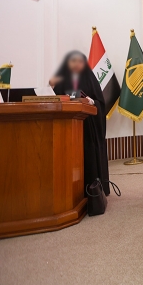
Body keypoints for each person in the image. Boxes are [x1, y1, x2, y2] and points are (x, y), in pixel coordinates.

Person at [50, 51, 110, 195]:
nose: (76, 64)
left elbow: (100, 103)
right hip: (68, 127)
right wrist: (51, 88)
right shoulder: (62, 80)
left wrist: (91, 102)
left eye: (79, 61)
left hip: (88, 127)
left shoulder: (90, 77)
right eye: (73, 61)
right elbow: (54, 100)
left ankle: (94, 190)